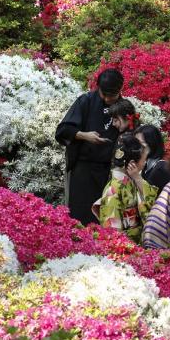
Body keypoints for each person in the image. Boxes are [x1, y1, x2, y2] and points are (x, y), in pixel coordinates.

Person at [55, 69, 124, 226]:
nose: (107, 99)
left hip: (111, 171)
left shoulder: (124, 106)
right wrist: (84, 135)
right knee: (80, 215)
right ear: (97, 87)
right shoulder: (85, 101)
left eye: (111, 96)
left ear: (120, 90)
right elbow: (62, 130)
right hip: (83, 168)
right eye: (103, 94)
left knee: (106, 217)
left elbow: (132, 131)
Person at [92, 132, 156, 243]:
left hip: (138, 244)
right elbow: (112, 232)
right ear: (132, 163)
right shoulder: (113, 190)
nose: (145, 163)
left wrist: (138, 178)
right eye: (143, 159)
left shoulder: (132, 180)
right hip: (126, 248)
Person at [134, 124, 170, 192]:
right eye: (135, 143)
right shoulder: (148, 165)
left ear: (152, 143)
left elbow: (151, 196)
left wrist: (135, 176)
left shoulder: (161, 168)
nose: (136, 148)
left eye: (140, 143)